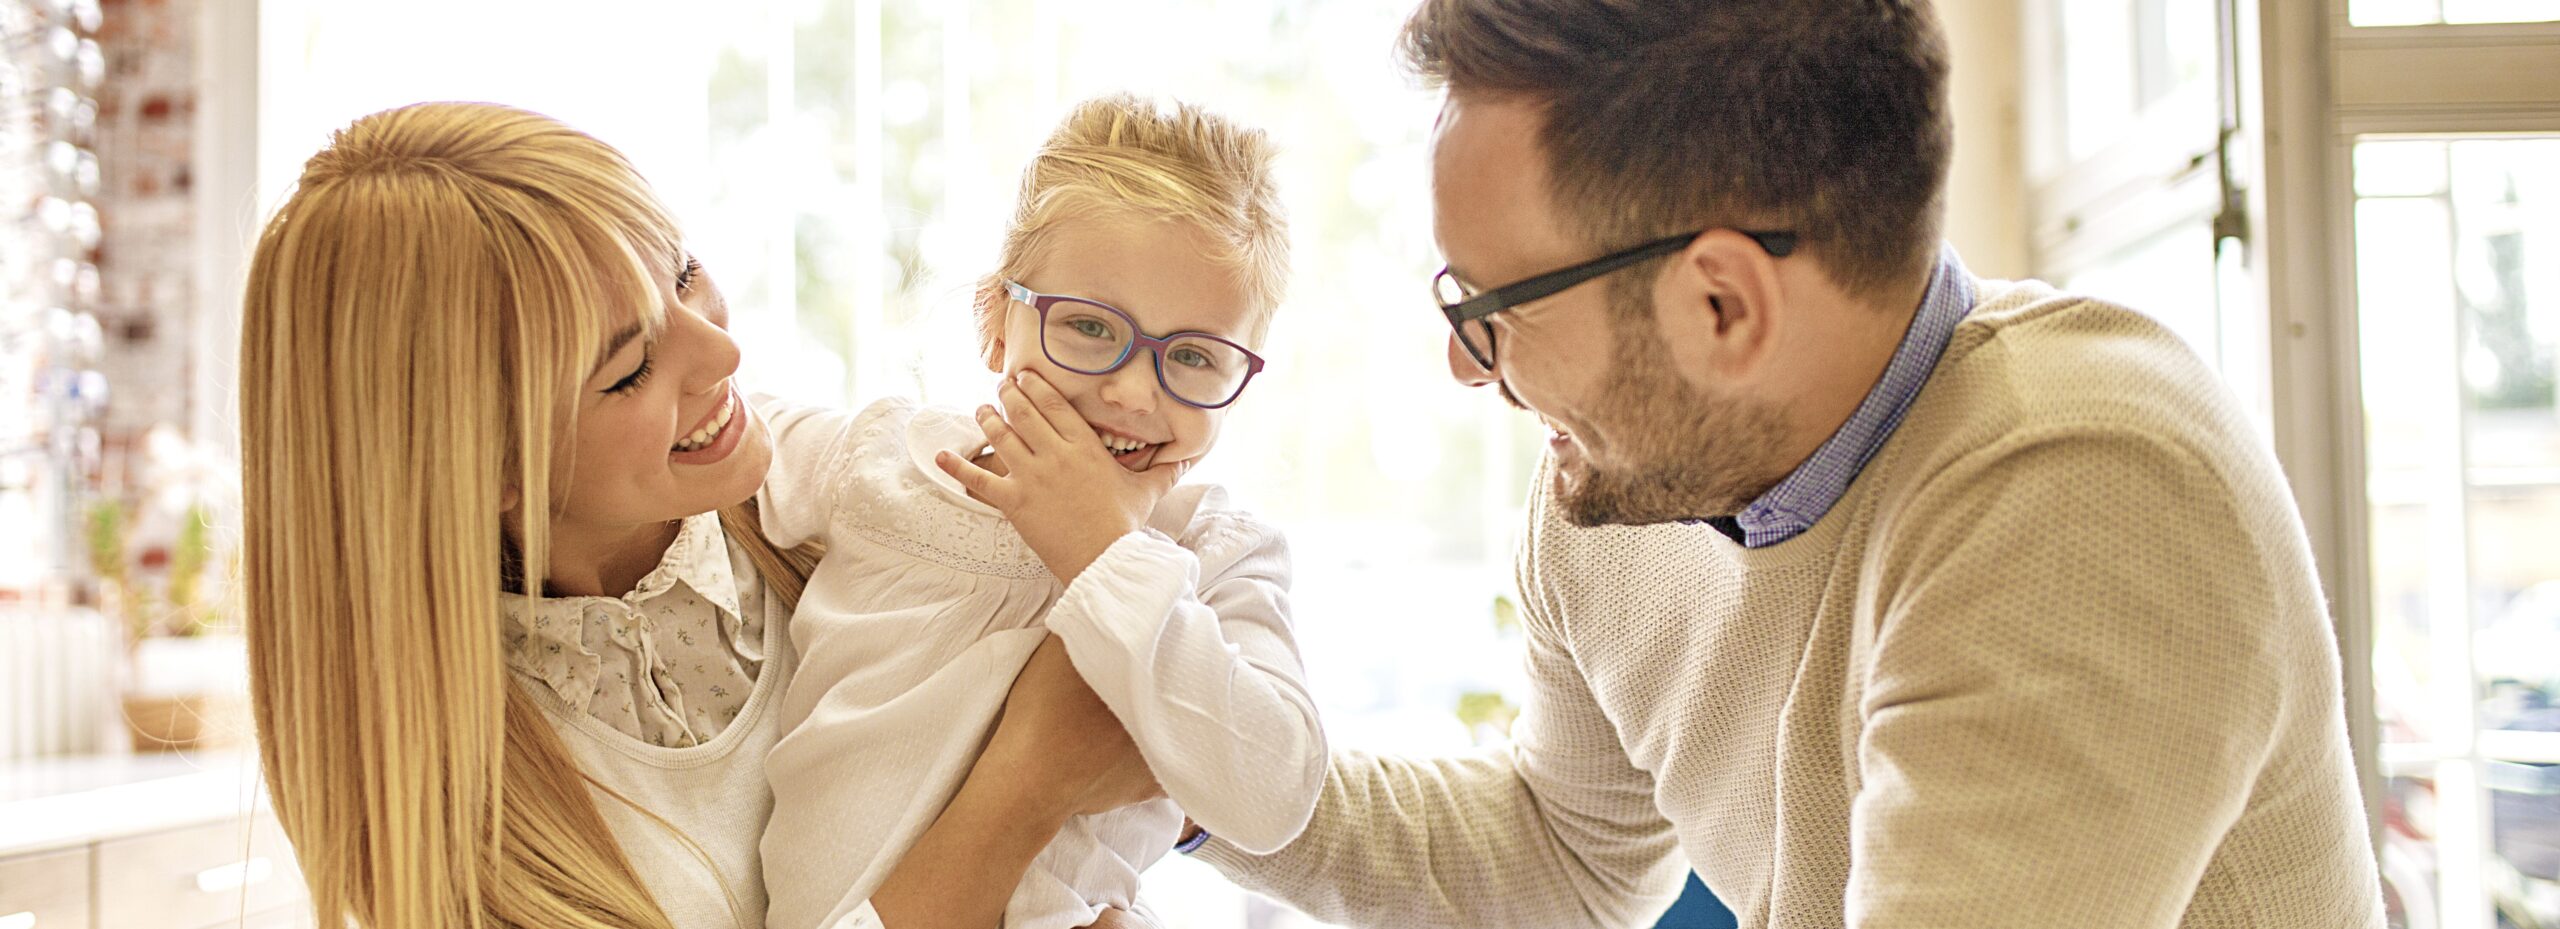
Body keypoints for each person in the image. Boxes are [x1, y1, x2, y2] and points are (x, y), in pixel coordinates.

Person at [1182, 1, 2387, 926]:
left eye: (1494, 307)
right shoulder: (1628, 484)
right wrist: (1178, 758)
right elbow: (1563, 849)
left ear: (1721, 304)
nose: (1465, 363)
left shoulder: (2085, 487)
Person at [239, 101, 1165, 929]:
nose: (721, 351)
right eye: (629, 369)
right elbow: (1050, 764)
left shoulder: (860, 505)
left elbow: (1235, 786)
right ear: (482, 467)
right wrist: (1025, 786)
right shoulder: (447, 805)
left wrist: (1162, 801)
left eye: (682, 274)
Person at [755, 93, 1325, 929]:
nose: (1133, 392)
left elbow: (1275, 797)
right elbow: (707, 427)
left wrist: (1108, 549)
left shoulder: (1215, 551)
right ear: (995, 322)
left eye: (1195, 356)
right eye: (1090, 327)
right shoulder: (885, 460)